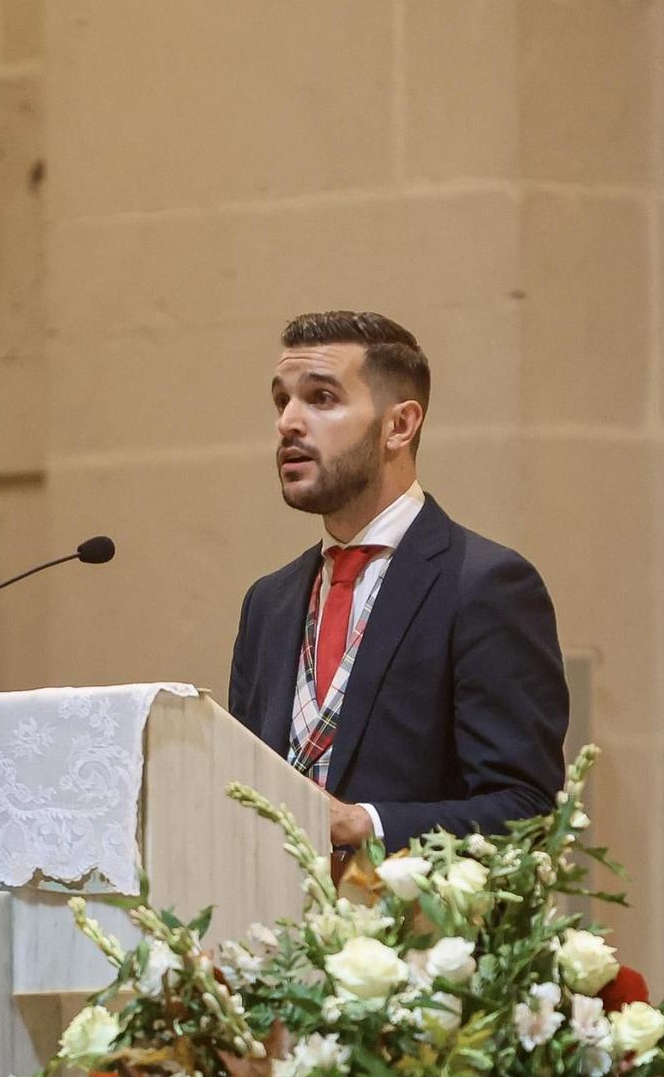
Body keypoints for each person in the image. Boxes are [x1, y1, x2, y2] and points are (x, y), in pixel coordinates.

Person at [227, 311, 569, 854]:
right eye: (281, 401)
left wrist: (366, 823)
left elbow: (526, 810)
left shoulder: (484, 585)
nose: (288, 422)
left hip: (421, 932)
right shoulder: (268, 603)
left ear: (399, 425)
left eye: (320, 399)